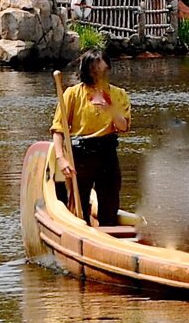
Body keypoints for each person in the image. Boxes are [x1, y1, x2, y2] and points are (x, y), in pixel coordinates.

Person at [52, 51, 132, 227]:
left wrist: (109, 107)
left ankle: (109, 241)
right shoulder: (72, 94)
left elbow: (123, 126)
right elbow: (58, 129)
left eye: (102, 71)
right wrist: (61, 159)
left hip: (107, 153)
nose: (98, 75)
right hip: (80, 155)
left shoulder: (118, 94)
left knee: (110, 201)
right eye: (94, 70)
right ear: (86, 71)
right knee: (79, 204)